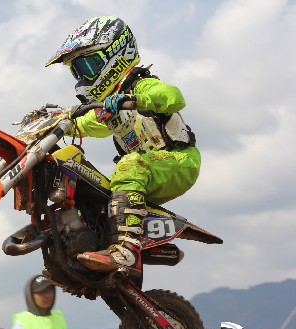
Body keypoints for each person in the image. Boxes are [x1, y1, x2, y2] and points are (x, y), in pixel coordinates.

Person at [45, 16, 200, 274]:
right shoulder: (109, 106)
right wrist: (54, 122)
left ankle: (126, 250)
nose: (83, 76)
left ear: (114, 54)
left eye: (87, 65)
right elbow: (84, 123)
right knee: (88, 186)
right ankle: (78, 250)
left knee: (129, 165)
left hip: (178, 162)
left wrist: (136, 98)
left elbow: (173, 97)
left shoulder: (141, 85)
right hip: (145, 171)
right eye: (77, 71)